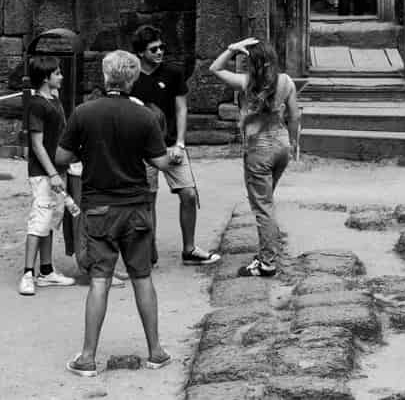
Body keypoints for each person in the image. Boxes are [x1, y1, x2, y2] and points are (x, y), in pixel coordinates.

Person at [57, 50, 177, 377]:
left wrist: (88, 150)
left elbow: (62, 156)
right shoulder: (144, 117)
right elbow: (161, 162)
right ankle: (156, 351)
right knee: (142, 277)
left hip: (98, 207)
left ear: (105, 76)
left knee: (99, 280)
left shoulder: (83, 113)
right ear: (133, 79)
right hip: (136, 205)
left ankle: (87, 357)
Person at [207, 35, 301, 278]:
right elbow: (295, 116)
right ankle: (269, 250)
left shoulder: (246, 83)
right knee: (267, 202)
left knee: (263, 207)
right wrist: (293, 142)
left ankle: (267, 262)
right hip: (281, 145)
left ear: (252, 64)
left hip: (258, 149)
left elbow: (214, 68)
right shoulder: (286, 81)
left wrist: (231, 47)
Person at [127, 25, 218, 268]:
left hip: (171, 145)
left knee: (188, 194)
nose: (159, 52)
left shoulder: (173, 72)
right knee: (148, 199)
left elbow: (181, 107)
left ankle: (189, 249)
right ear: (140, 53)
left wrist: (180, 142)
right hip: (142, 149)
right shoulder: (130, 76)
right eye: (153, 49)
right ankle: (149, 248)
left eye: (161, 47)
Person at [18, 53, 81, 294]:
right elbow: (37, 144)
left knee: (50, 221)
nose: (62, 77)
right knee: (39, 220)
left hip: (58, 170)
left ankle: (46, 270)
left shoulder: (54, 100)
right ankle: (27, 274)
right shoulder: (36, 104)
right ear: (46, 78)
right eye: (57, 73)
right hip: (43, 173)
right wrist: (52, 174)